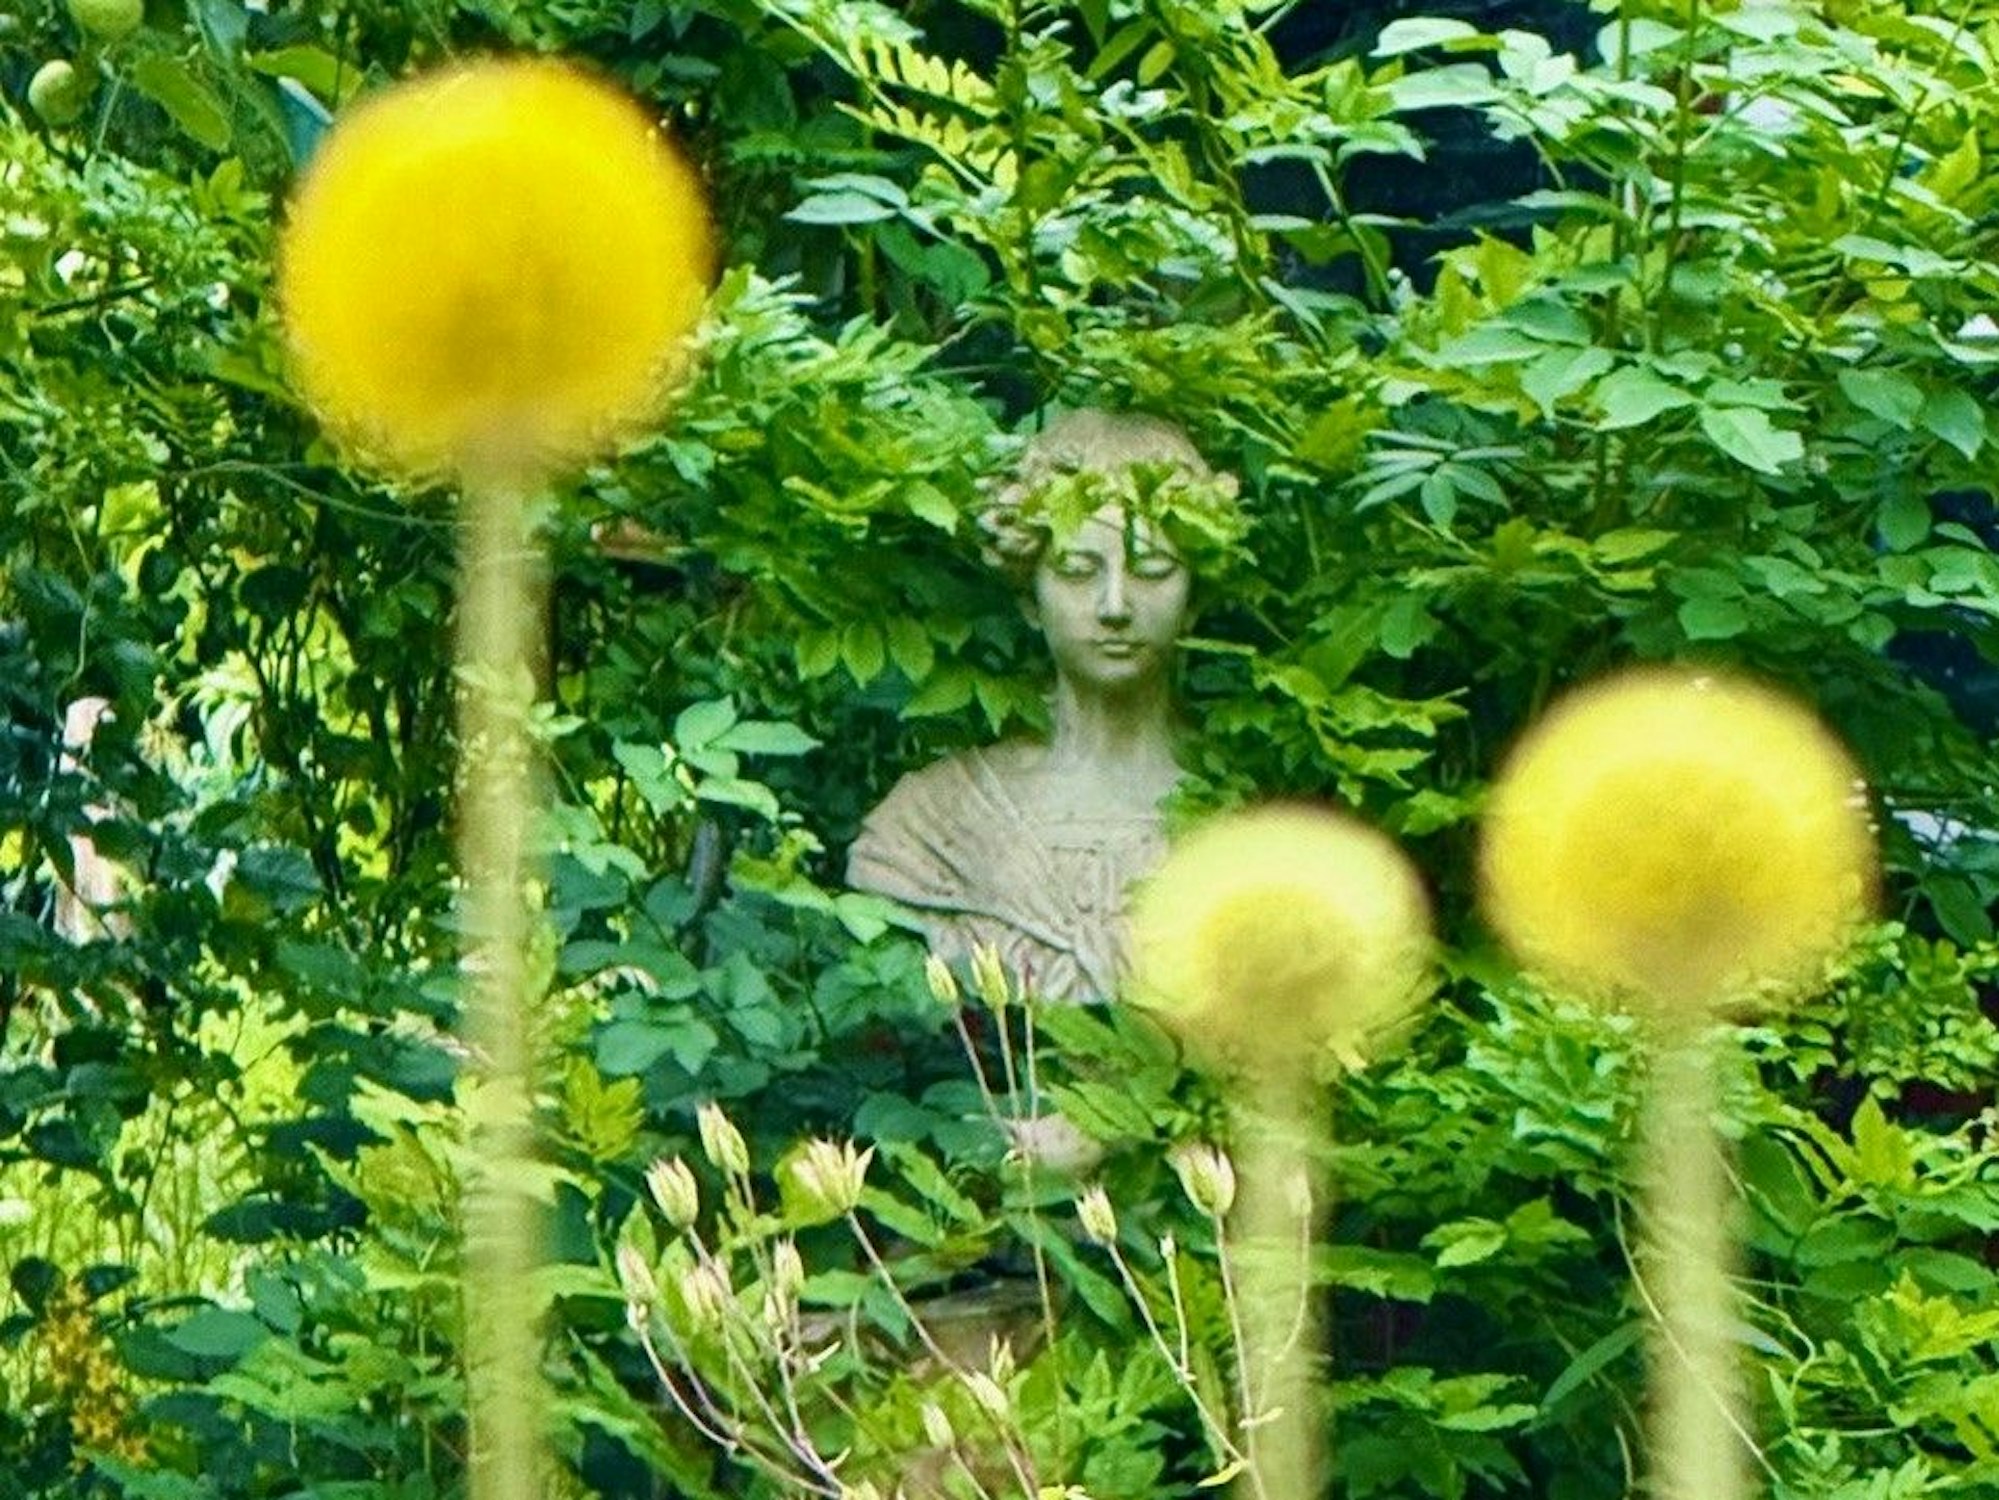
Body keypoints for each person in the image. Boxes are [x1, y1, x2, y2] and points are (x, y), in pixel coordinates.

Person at [847, 409, 1237, 1001]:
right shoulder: (934, 825)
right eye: (1078, 571)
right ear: (1030, 595)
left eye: (1152, 570)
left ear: (1194, 600)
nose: (1114, 606)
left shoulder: (1250, 817)